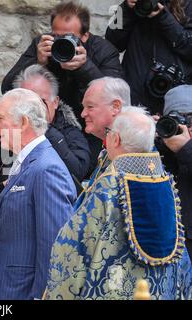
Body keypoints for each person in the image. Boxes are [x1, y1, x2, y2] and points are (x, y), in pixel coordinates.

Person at [45, 108, 192, 300]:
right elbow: (181, 259)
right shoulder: (167, 183)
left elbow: (72, 247)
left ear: (115, 139)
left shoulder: (108, 186)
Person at [1, 1, 123, 170]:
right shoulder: (43, 45)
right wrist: (37, 61)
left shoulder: (103, 50)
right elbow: (8, 89)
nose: (62, 42)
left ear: (85, 35)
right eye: (57, 36)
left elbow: (115, 97)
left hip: (89, 128)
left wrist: (84, 67)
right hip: (50, 126)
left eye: (70, 37)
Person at [0, 88, 76, 300]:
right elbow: (13, 220)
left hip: (23, 293)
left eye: (1, 118)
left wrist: (42, 297)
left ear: (23, 123)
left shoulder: (46, 169)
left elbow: (54, 244)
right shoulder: (27, 161)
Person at [106, 0, 192, 115]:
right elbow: (112, 42)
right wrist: (126, 8)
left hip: (174, 99)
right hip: (134, 97)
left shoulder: (188, 4)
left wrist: (162, 16)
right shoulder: (133, 4)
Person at [13, 64, 91, 188]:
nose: (34, 108)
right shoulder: (5, 127)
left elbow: (77, 173)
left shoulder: (69, 132)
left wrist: (44, 129)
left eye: (40, 101)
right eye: (27, 101)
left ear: (55, 102)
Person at [77, 76, 132, 208]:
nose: (83, 114)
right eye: (83, 107)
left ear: (115, 107)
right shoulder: (111, 145)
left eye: (90, 107)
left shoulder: (131, 151)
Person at [156, 85, 192, 260]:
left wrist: (185, 149)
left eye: (190, 119)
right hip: (166, 245)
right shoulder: (159, 147)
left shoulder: (186, 149)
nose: (184, 126)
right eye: (177, 119)